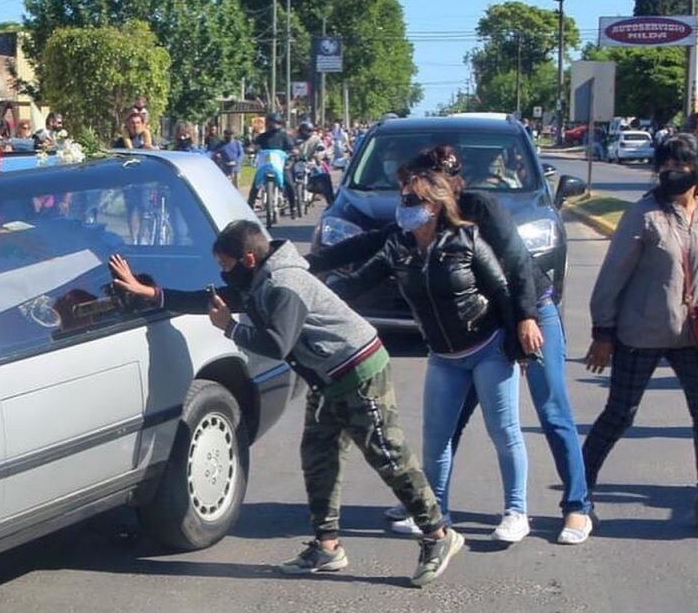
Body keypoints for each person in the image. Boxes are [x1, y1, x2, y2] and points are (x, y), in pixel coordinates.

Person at [107, 220, 463, 586]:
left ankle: (438, 535)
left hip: (358, 371)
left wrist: (228, 327)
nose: (223, 274)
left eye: (226, 265)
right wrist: (149, 293)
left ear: (248, 258)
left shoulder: (283, 284)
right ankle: (327, 547)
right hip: (327, 377)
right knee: (318, 458)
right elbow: (211, 299)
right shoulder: (259, 277)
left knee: (387, 455)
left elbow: (278, 344)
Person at [309, 146, 593, 544]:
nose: (403, 194)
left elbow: (513, 268)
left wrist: (522, 328)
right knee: (447, 423)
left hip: (527, 308)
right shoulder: (416, 225)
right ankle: (430, 502)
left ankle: (576, 507)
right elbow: (366, 247)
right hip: (469, 334)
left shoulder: (481, 209)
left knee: (550, 409)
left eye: (409, 184)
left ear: (434, 182)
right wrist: (307, 266)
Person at [583, 133, 698, 525]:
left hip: (691, 336)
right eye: (664, 166)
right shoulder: (644, 214)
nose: (671, 173)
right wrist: (603, 332)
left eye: (680, 166)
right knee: (619, 415)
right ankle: (579, 496)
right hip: (640, 334)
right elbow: (612, 276)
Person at [248, 112, 297, 218]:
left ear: (279, 123)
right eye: (270, 123)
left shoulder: (284, 136)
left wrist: (294, 151)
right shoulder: (262, 136)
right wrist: (251, 149)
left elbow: (292, 147)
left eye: (275, 123)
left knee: (289, 184)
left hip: (280, 164)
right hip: (265, 164)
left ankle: (293, 208)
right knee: (255, 185)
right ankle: (249, 207)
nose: (272, 125)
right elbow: (254, 145)